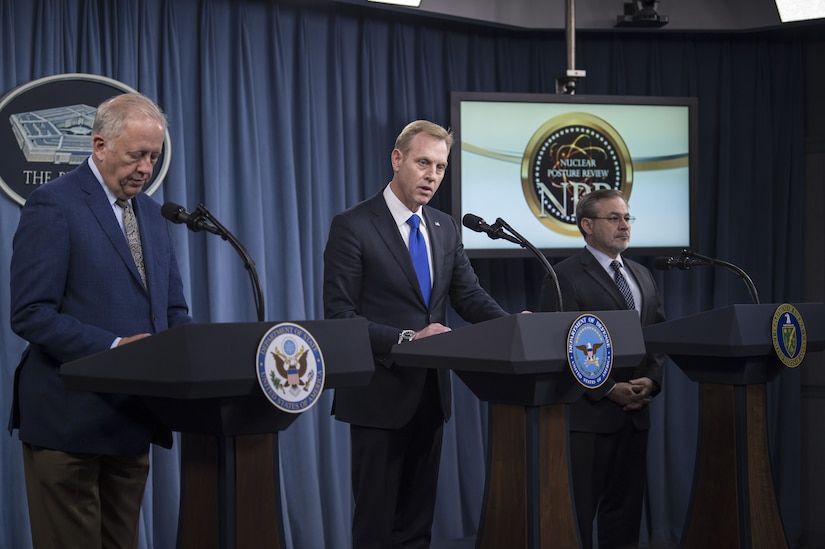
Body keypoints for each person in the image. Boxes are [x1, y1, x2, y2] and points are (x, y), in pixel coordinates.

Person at [8, 92, 192, 549]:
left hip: (130, 422)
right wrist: (115, 350)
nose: (146, 169)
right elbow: (31, 313)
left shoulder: (151, 213)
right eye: (136, 155)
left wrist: (191, 350)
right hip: (67, 421)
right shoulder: (53, 204)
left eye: (153, 156)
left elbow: (172, 310)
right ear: (99, 146)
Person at [323, 120, 510, 548]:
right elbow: (340, 316)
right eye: (423, 163)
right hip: (377, 396)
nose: (432, 175)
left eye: (441, 167)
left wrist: (512, 323)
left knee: (416, 526)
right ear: (397, 159)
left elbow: (470, 296)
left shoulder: (444, 227)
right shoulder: (353, 225)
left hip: (430, 394)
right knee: (376, 524)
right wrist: (407, 339)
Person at [539, 189, 665, 549]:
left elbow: (657, 332)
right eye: (615, 218)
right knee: (579, 516)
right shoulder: (563, 275)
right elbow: (559, 345)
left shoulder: (641, 273)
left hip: (636, 415)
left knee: (625, 517)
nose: (624, 225)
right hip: (588, 417)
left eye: (627, 218)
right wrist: (609, 389)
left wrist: (650, 382)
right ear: (587, 225)